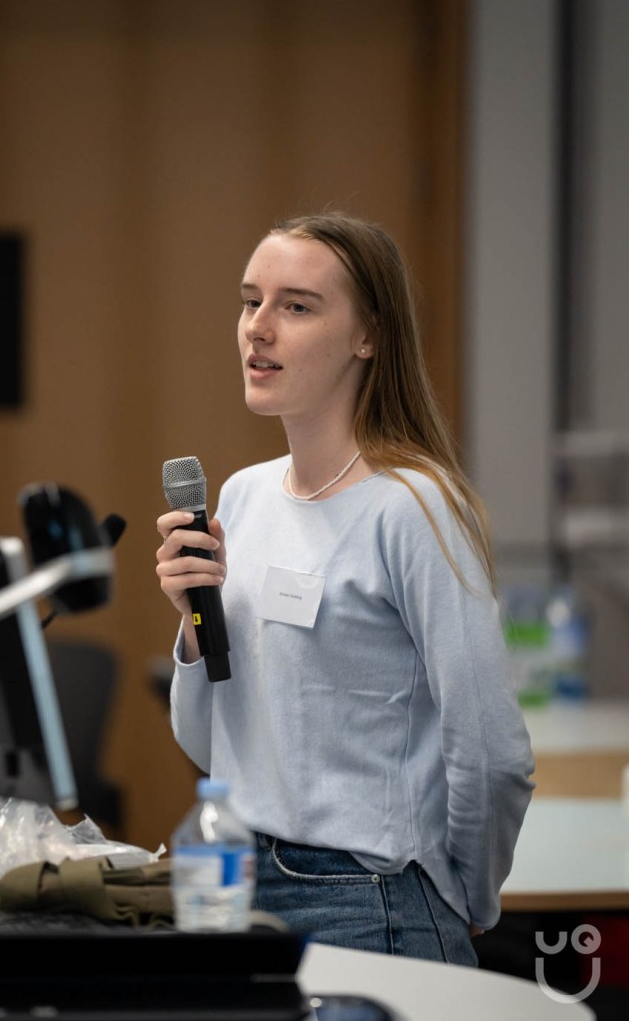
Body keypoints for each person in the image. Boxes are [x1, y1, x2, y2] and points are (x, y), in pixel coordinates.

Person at [156, 211, 535, 964]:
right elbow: (211, 745)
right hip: (238, 882)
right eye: (250, 301)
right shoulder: (243, 496)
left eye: (296, 306)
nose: (258, 327)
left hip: (367, 898)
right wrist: (194, 629)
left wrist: (467, 893)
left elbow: (490, 749)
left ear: (368, 336)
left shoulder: (414, 508)